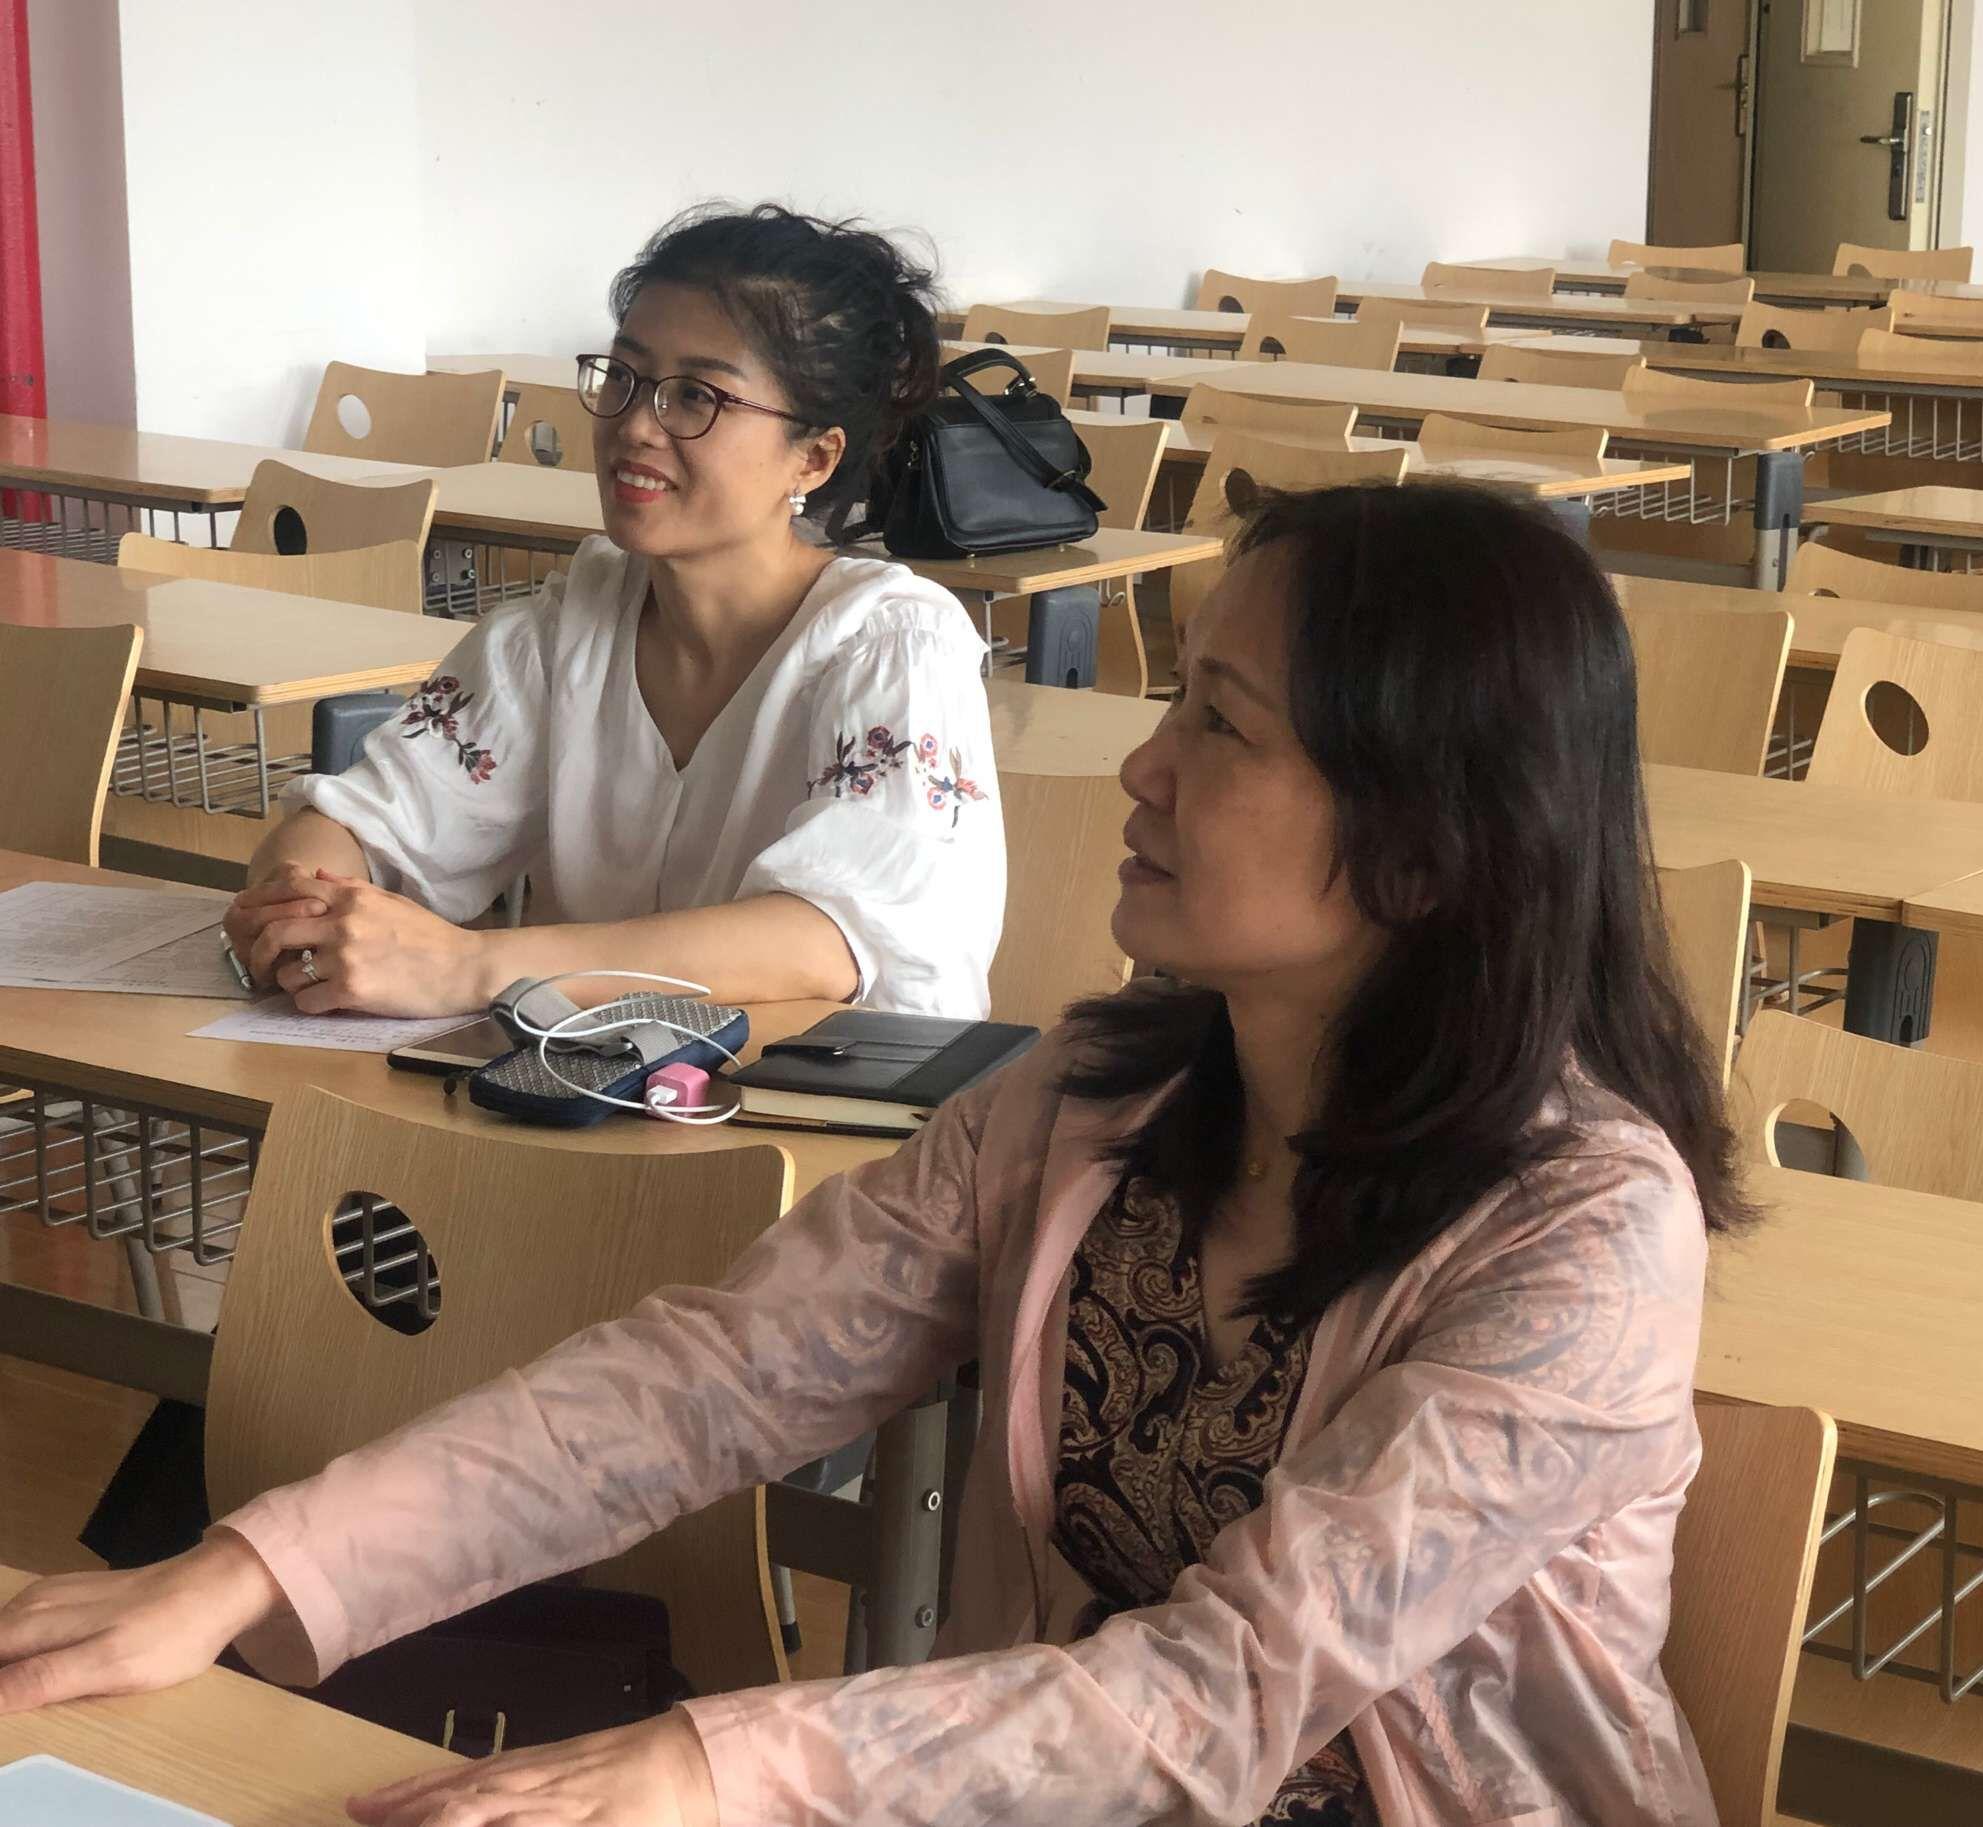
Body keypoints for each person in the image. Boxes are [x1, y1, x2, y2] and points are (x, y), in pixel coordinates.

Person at [1, 481, 1750, 1827]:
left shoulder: (1585, 1236)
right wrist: (242, 1574)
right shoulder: (1088, 1103)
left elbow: (1230, 1685)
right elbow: (705, 1380)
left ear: (1427, 841)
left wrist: (712, 1766)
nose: (1141, 766)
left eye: (1220, 724)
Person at [222, 203, 1004, 1021]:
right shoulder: (564, 631)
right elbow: (368, 819)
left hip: (813, 1091)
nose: (634, 427)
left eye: (696, 396)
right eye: (624, 379)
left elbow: (827, 940)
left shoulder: (891, 644)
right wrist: (303, 901)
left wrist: (474, 964)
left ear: (813, 457)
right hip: (592, 1082)